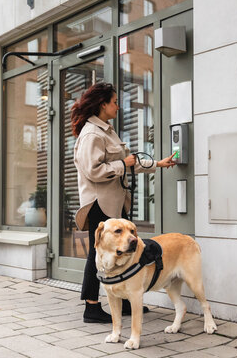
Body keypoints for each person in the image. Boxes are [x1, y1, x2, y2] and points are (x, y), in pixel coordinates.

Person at [71, 82, 176, 323]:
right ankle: (91, 307)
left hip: (114, 203)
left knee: (127, 249)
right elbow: (93, 170)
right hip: (100, 203)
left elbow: (128, 163)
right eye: (115, 102)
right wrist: (123, 165)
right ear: (103, 104)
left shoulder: (106, 131)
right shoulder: (92, 134)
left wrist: (158, 164)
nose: (118, 106)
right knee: (97, 254)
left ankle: (126, 301)